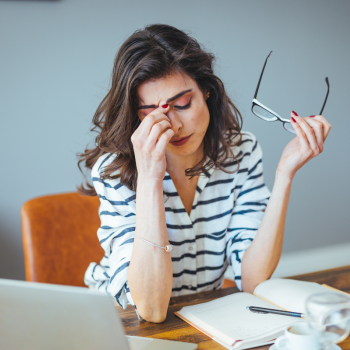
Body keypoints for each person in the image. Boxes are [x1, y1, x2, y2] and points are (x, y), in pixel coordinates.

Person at [77, 24, 331, 323]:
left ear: (207, 91)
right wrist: (149, 179)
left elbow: (252, 282)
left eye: (183, 104)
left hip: (201, 317)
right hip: (121, 322)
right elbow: (151, 309)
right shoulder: (114, 171)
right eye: (152, 114)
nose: (175, 126)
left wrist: (285, 175)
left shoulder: (240, 151)